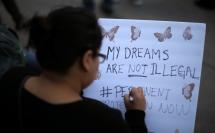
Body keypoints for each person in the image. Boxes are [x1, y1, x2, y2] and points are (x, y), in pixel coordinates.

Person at [1, 6, 147, 133]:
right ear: (87, 59)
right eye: (99, 56)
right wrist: (137, 117)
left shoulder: (12, 79)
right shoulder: (105, 121)